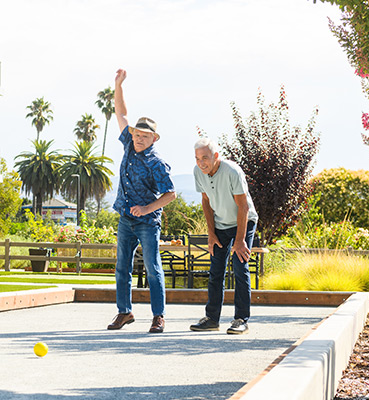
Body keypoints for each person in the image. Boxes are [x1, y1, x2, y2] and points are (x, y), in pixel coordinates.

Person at [107, 69, 176, 333]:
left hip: (147, 222)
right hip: (125, 219)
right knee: (122, 267)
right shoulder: (128, 144)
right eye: (137, 134)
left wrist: (147, 208)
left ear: (153, 139)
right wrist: (118, 85)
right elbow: (121, 113)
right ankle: (124, 312)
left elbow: (170, 194)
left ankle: (158, 316)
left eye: (144, 136)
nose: (138, 138)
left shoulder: (156, 163)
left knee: (153, 267)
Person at [189, 137, 259, 335]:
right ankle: (212, 319)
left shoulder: (231, 171)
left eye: (205, 158)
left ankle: (241, 319)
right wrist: (211, 234)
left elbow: (243, 206)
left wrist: (239, 240)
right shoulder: (198, 172)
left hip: (243, 221)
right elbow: (205, 201)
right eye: (197, 158)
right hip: (220, 224)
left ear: (216, 156)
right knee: (216, 271)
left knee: (239, 266)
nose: (201, 163)